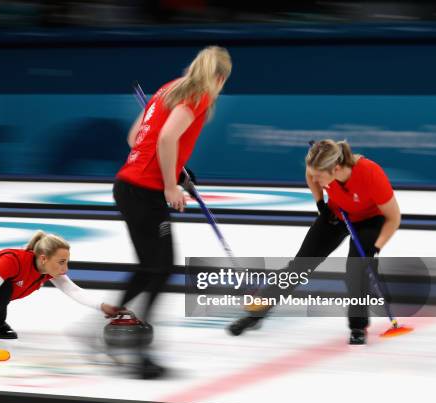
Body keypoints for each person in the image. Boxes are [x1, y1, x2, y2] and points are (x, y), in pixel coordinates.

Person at [113, 46, 232, 377]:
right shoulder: (200, 96)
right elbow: (166, 138)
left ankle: (114, 321)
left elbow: (134, 137)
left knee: (150, 266)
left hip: (127, 186)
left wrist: (177, 169)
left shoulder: (168, 88)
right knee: (161, 267)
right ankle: (137, 349)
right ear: (220, 78)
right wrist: (169, 184)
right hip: (145, 191)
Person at [229, 139, 401, 345]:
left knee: (356, 269)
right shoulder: (321, 169)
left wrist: (375, 247)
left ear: (336, 169)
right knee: (300, 265)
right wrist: (321, 203)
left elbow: (394, 218)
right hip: (338, 214)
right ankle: (255, 313)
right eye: (315, 175)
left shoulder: (370, 173)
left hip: (369, 220)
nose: (316, 179)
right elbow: (310, 175)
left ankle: (358, 325)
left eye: (321, 177)